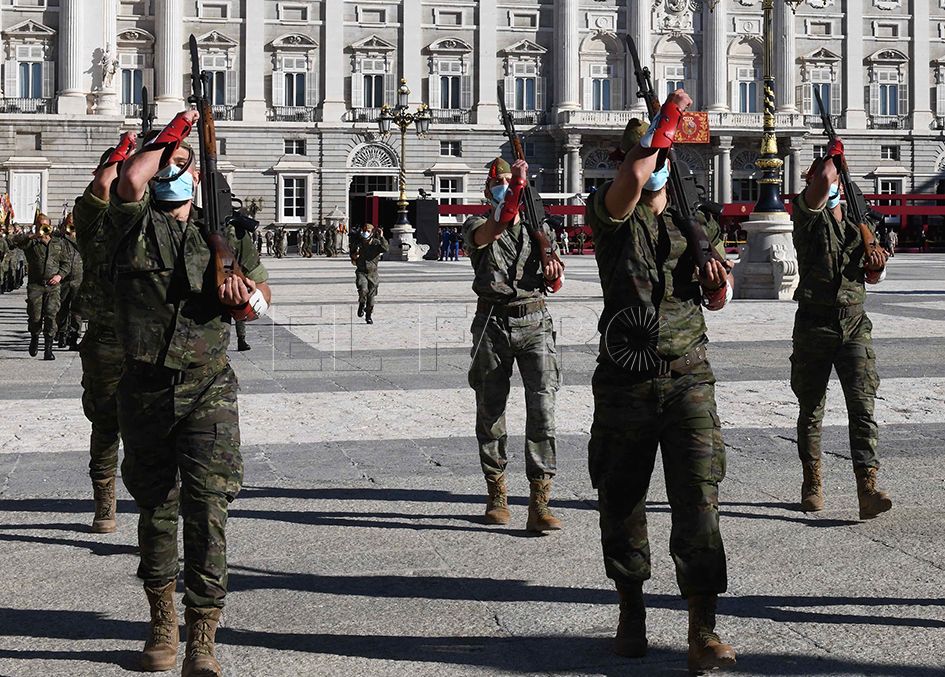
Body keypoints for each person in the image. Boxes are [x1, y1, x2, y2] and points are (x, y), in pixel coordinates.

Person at [110, 109, 272, 676]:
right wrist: (173, 135)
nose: (172, 173)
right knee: (157, 508)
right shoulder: (127, 222)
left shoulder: (229, 231)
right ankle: (161, 622)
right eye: (167, 165)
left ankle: (202, 634)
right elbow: (130, 180)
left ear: (199, 176)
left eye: (184, 166)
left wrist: (244, 293)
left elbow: (261, 293)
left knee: (207, 509)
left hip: (208, 387)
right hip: (146, 388)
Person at [585, 91, 737, 672]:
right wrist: (657, 135)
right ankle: (631, 608)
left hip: (687, 377)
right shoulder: (610, 212)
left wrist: (717, 279)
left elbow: (717, 297)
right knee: (621, 500)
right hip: (624, 380)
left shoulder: (695, 221)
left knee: (699, 498)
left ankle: (703, 628)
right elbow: (627, 186)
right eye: (636, 156)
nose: (648, 168)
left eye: (655, 158)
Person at [791, 138, 892, 521]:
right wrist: (833, 160)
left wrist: (876, 265)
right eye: (824, 180)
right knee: (811, 409)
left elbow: (872, 274)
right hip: (814, 323)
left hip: (853, 324)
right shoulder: (806, 213)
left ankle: (867, 487)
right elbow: (820, 187)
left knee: (863, 407)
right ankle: (812, 483)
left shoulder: (858, 223)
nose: (830, 186)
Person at [462, 157, 564, 534]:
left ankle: (540, 501)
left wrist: (554, 269)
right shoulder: (476, 224)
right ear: (488, 189)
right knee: (491, 410)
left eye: (510, 180)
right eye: (499, 181)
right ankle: (497, 493)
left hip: (535, 320)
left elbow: (553, 278)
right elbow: (494, 228)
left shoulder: (541, 228)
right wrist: (517, 190)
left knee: (543, 410)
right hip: (492, 322)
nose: (504, 184)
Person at [72, 130, 137, 533]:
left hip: (148, 336)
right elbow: (101, 183)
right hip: (108, 339)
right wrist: (126, 150)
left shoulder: (144, 213)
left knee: (157, 424)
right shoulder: (92, 215)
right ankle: (105, 501)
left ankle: (159, 504)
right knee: (106, 423)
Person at [12, 213, 71, 360]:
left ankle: (48, 349)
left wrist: (60, 276)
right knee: (35, 316)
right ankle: (34, 337)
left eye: (45, 225)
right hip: (36, 286)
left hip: (53, 286)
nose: (43, 228)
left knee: (51, 315)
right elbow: (14, 242)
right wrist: (33, 235)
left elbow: (66, 263)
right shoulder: (31, 243)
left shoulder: (58, 243)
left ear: (50, 226)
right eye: (40, 225)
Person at [54, 213, 84, 350]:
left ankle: (74, 337)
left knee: (77, 311)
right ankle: (61, 333)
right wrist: (62, 233)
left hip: (79, 279)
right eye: (69, 223)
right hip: (63, 279)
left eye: (73, 223)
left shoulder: (82, 238)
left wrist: (75, 234)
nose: (70, 226)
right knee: (61, 309)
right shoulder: (59, 239)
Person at [350, 223, 388, 324]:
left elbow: (385, 249)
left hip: (373, 274)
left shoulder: (376, 243)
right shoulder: (358, 243)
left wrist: (382, 236)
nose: (365, 233)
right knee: (363, 289)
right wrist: (354, 256)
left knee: (371, 299)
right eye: (364, 230)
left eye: (368, 231)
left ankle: (368, 315)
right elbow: (352, 255)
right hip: (361, 272)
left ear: (372, 233)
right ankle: (362, 303)